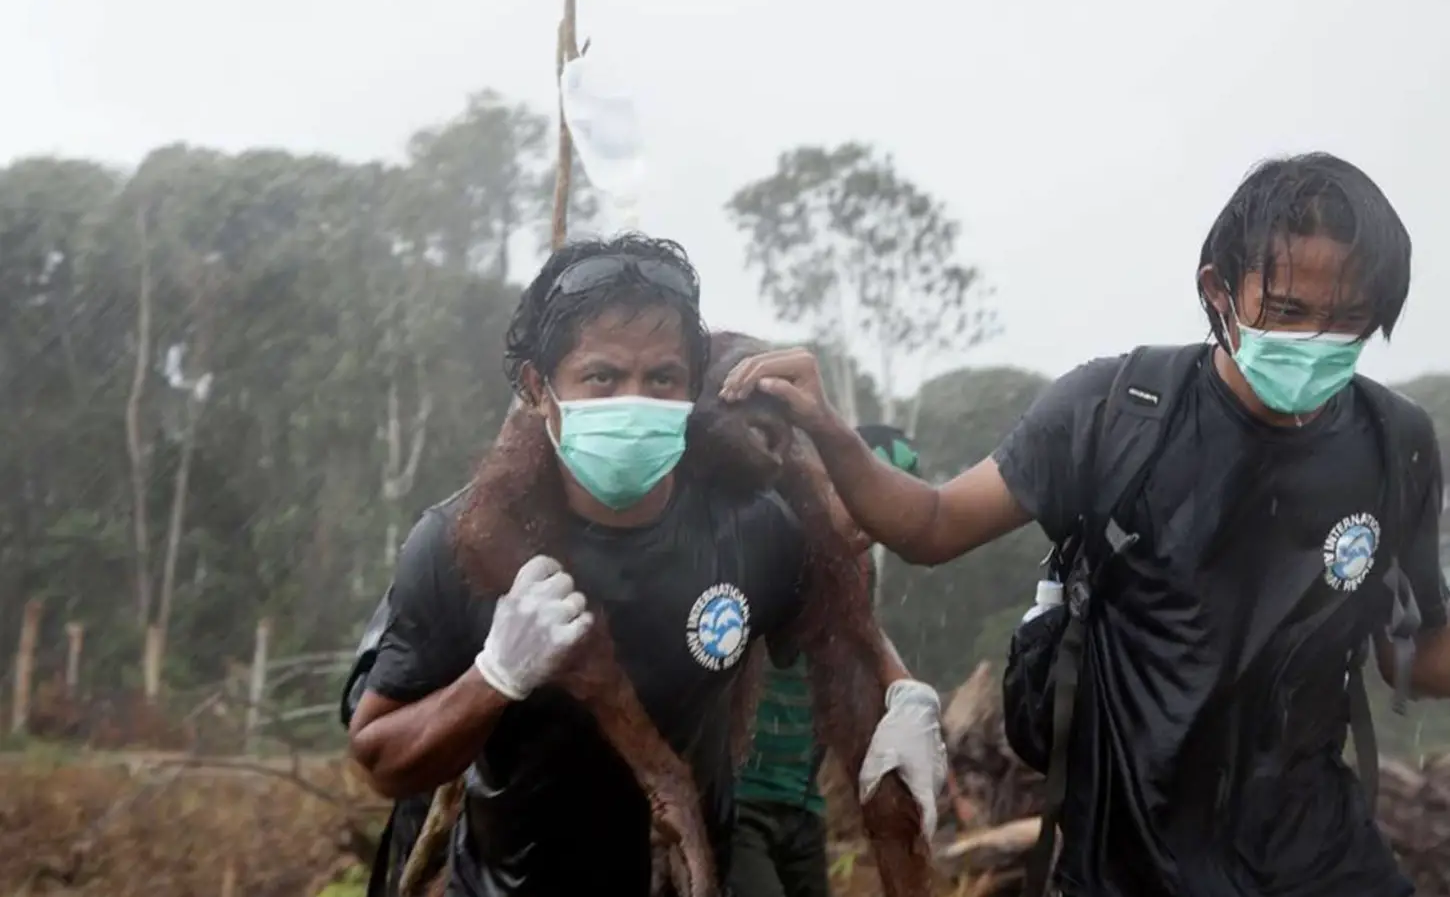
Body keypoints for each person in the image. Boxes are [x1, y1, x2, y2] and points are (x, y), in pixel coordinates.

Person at [719, 153, 1450, 897]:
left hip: (1319, 860)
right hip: (1132, 866)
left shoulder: (1395, 442)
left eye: (1349, 322)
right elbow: (932, 525)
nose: (1315, 343)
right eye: (1287, 312)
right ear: (1218, 292)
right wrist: (830, 431)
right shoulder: (1116, 412)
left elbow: (1412, 652)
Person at [345, 232, 946, 897]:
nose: (633, 403)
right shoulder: (461, 539)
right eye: (601, 377)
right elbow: (378, 756)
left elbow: (842, 642)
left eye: (662, 379)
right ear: (538, 389)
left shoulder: (752, 530)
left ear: (693, 389)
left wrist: (901, 701)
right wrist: (494, 677)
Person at [729, 424, 923, 897]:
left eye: (888, 502)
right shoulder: (768, 540)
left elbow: (861, 644)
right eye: (860, 494)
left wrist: (908, 702)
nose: (871, 519)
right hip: (738, 800)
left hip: (801, 800)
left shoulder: (858, 571)